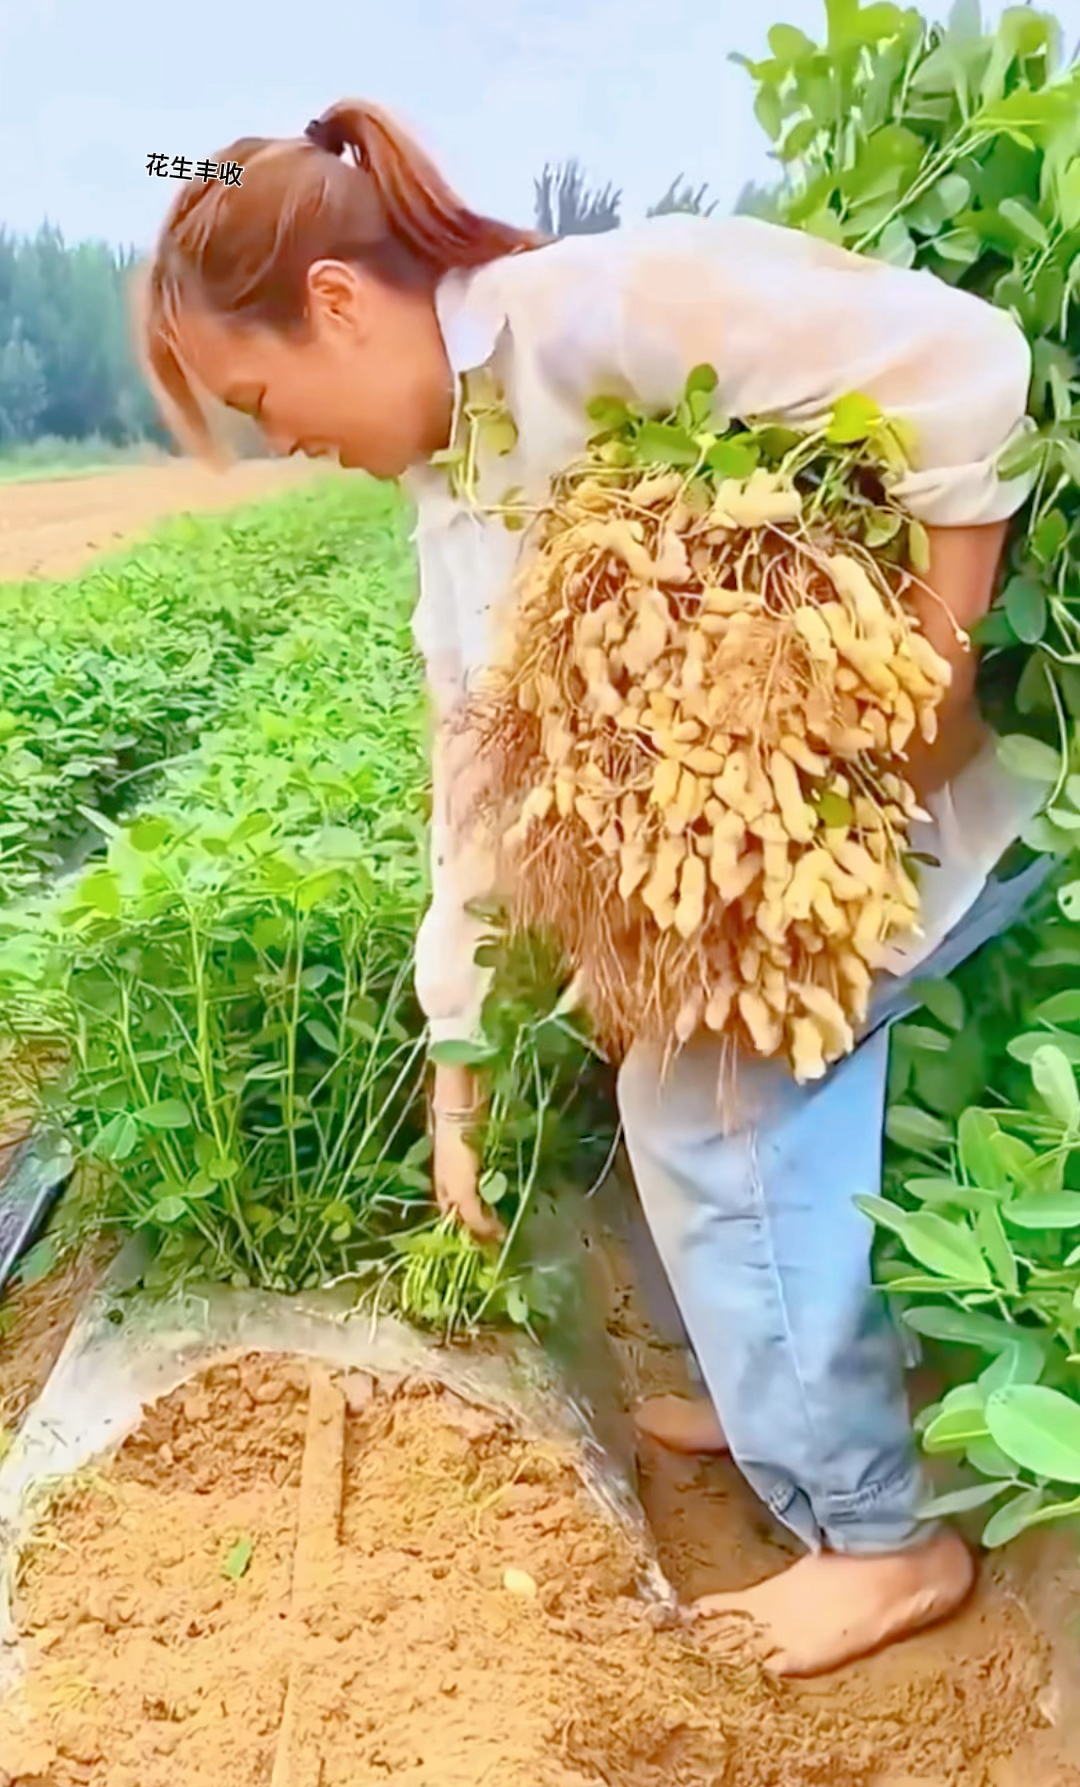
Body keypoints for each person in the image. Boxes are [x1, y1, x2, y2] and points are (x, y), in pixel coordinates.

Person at [137, 100, 1050, 1678]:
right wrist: (462, 1056)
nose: (279, 437)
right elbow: (473, 796)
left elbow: (969, 365)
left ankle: (878, 1538)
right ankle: (785, 1400)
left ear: (339, 306)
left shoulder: (597, 307)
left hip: (903, 796)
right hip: (782, 837)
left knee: (715, 1105)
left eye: (257, 394)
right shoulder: (451, 498)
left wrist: (933, 684)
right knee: (660, 1063)